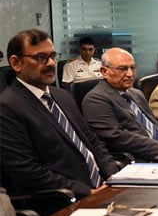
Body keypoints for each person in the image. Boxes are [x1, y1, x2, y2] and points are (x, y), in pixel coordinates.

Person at [0, 29, 118, 198]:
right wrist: (89, 192)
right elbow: (28, 173)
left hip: (105, 185)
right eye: (41, 57)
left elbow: (92, 140)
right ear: (16, 63)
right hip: (66, 200)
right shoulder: (7, 108)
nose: (51, 63)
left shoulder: (62, 96)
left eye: (53, 56)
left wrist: (114, 175)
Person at [82, 47, 158, 161]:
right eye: (122, 69)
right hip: (144, 159)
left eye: (132, 68)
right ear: (104, 72)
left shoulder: (136, 93)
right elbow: (117, 137)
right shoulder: (95, 99)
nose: (130, 74)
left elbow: (156, 121)